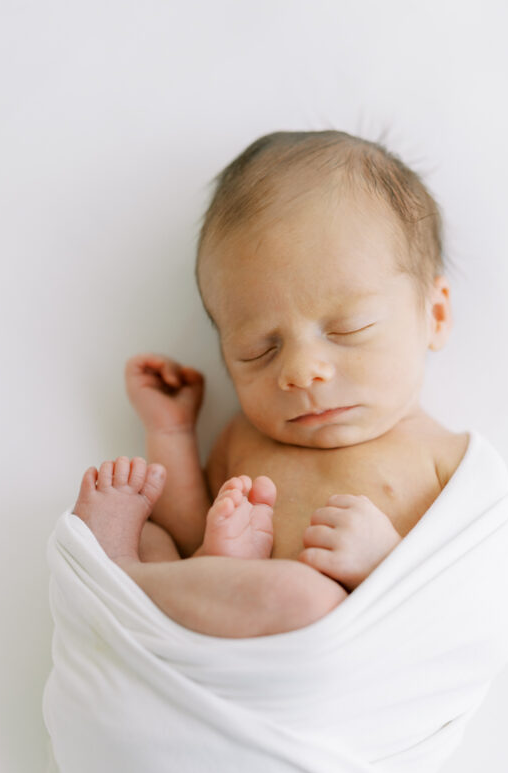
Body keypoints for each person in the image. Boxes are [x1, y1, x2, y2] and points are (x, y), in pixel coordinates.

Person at [71, 130, 468, 638]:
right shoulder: (246, 439)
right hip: (212, 642)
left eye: (347, 330)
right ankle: (138, 571)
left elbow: (464, 606)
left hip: (329, 659)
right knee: (153, 533)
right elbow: (188, 529)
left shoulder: (446, 459)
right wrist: (169, 432)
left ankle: (122, 579)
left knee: (304, 596)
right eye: (258, 351)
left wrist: (385, 563)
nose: (301, 373)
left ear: (434, 315)